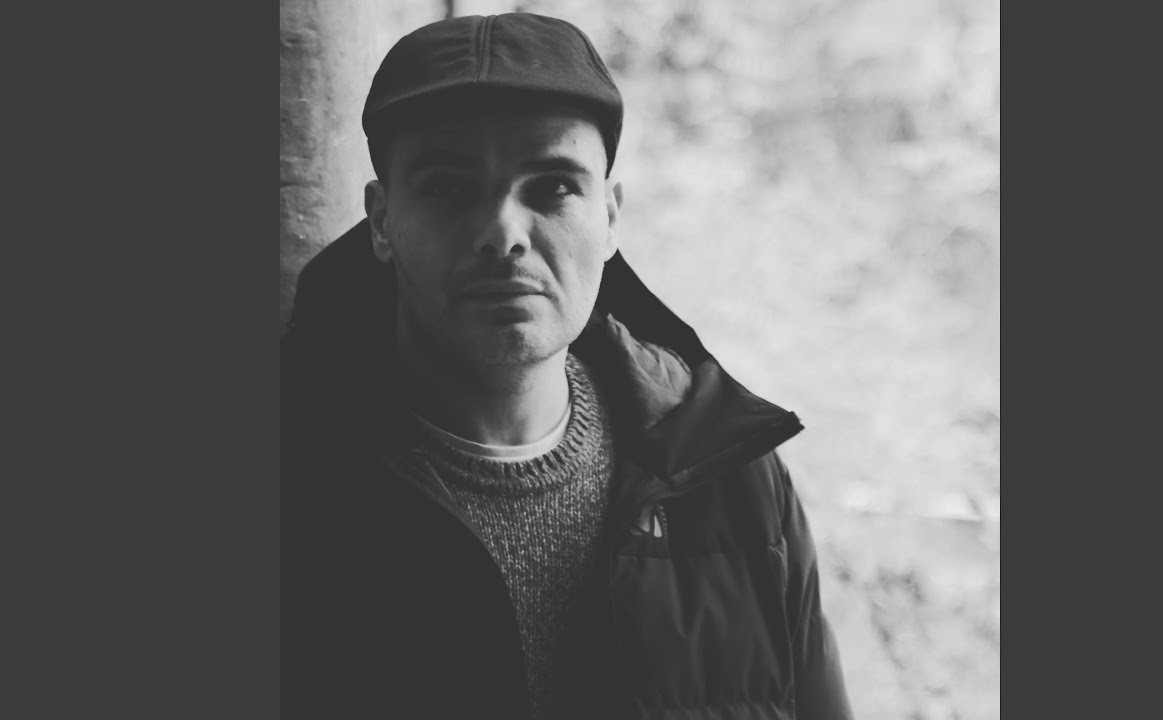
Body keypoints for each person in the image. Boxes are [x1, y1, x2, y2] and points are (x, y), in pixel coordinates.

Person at [281, 12, 853, 719]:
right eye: (449, 187)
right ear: (380, 221)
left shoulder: (730, 479)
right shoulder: (285, 475)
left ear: (610, 217)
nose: (503, 234)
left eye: (553, 186)